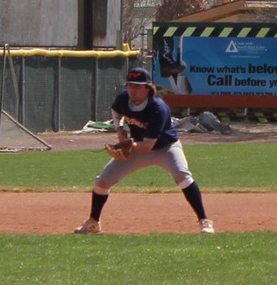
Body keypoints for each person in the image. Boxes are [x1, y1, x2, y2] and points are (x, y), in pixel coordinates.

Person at [75, 66, 215, 234]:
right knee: (103, 182)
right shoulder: (123, 98)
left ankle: (204, 221)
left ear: (148, 88)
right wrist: (119, 129)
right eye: (129, 85)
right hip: (137, 145)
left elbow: (147, 147)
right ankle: (93, 222)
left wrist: (128, 145)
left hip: (166, 148)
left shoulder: (158, 109)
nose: (132, 89)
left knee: (182, 176)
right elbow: (116, 111)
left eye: (137, 86)